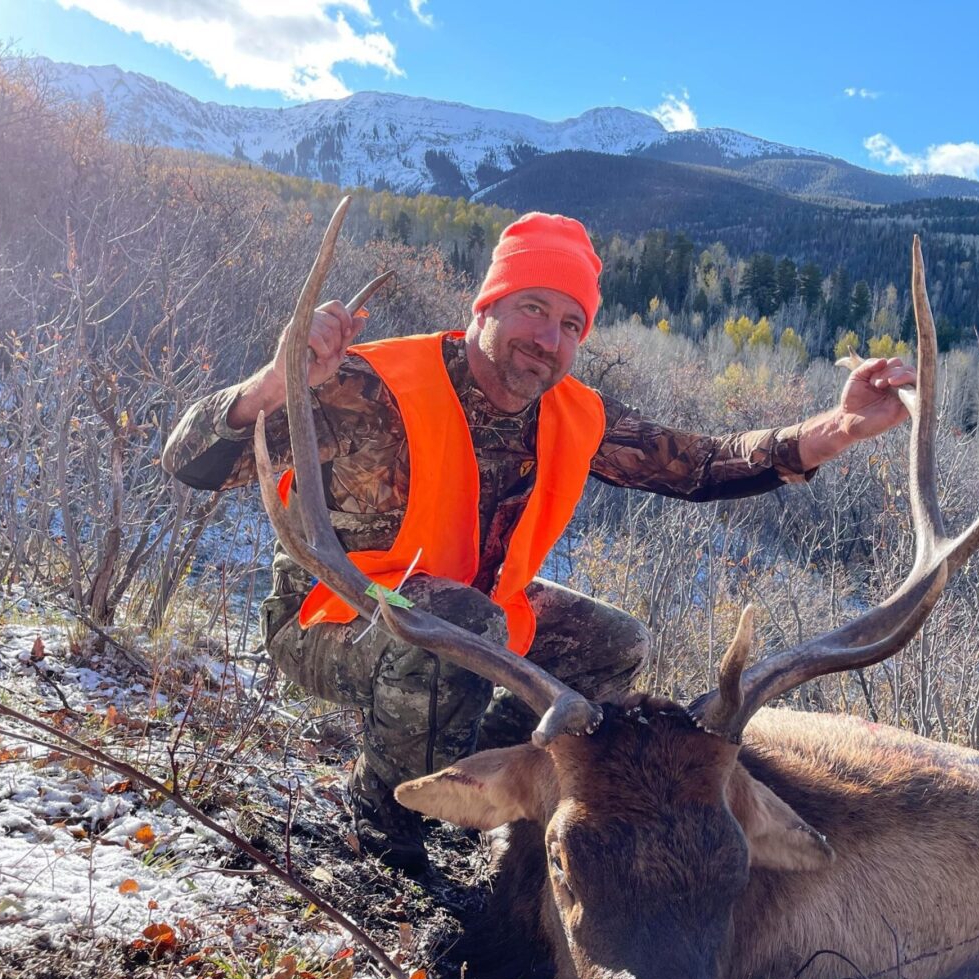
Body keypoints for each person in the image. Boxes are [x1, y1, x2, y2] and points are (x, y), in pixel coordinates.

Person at [162, 212, 914, 872]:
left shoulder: (575, 413)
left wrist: (838, 429)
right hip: (329, 621)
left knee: (612, 644)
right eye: (532, 308)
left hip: (473, 614)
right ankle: (383, 816)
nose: (547, 340)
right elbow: (190, 462)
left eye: (570, 325)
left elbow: (700, 465)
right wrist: (273, 384)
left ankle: (494, 789)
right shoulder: (364, 383)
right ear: (485, 305)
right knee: (459, 624)